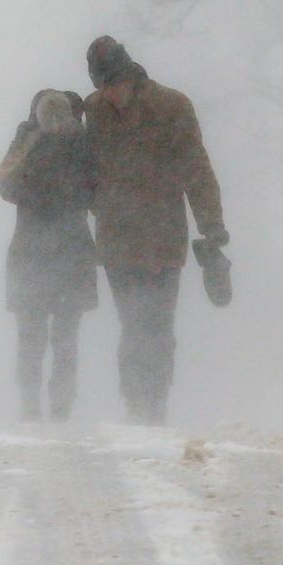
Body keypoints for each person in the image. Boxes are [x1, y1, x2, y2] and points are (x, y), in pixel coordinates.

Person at [83, 36, 228, 426]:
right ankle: (135, 403)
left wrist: (212, 225)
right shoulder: (92, 110)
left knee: (158, 324)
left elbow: (196, 169)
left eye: (113, 84)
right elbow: (86, 169)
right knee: (132, 322)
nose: (109, 94)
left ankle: (155, 403)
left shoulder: (172, 106)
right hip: (115, 237)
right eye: (102, 86)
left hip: (162, 235)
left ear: (129, 74)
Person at [0, 88, 97, 421]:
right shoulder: (82, 142)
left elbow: (5, 184)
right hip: (73, 251)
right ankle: (61, 407)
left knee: (30, 336)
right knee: (66, 337)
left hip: (30, 251)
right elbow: (95, 189)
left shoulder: (27, 141)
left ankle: (30, 406)